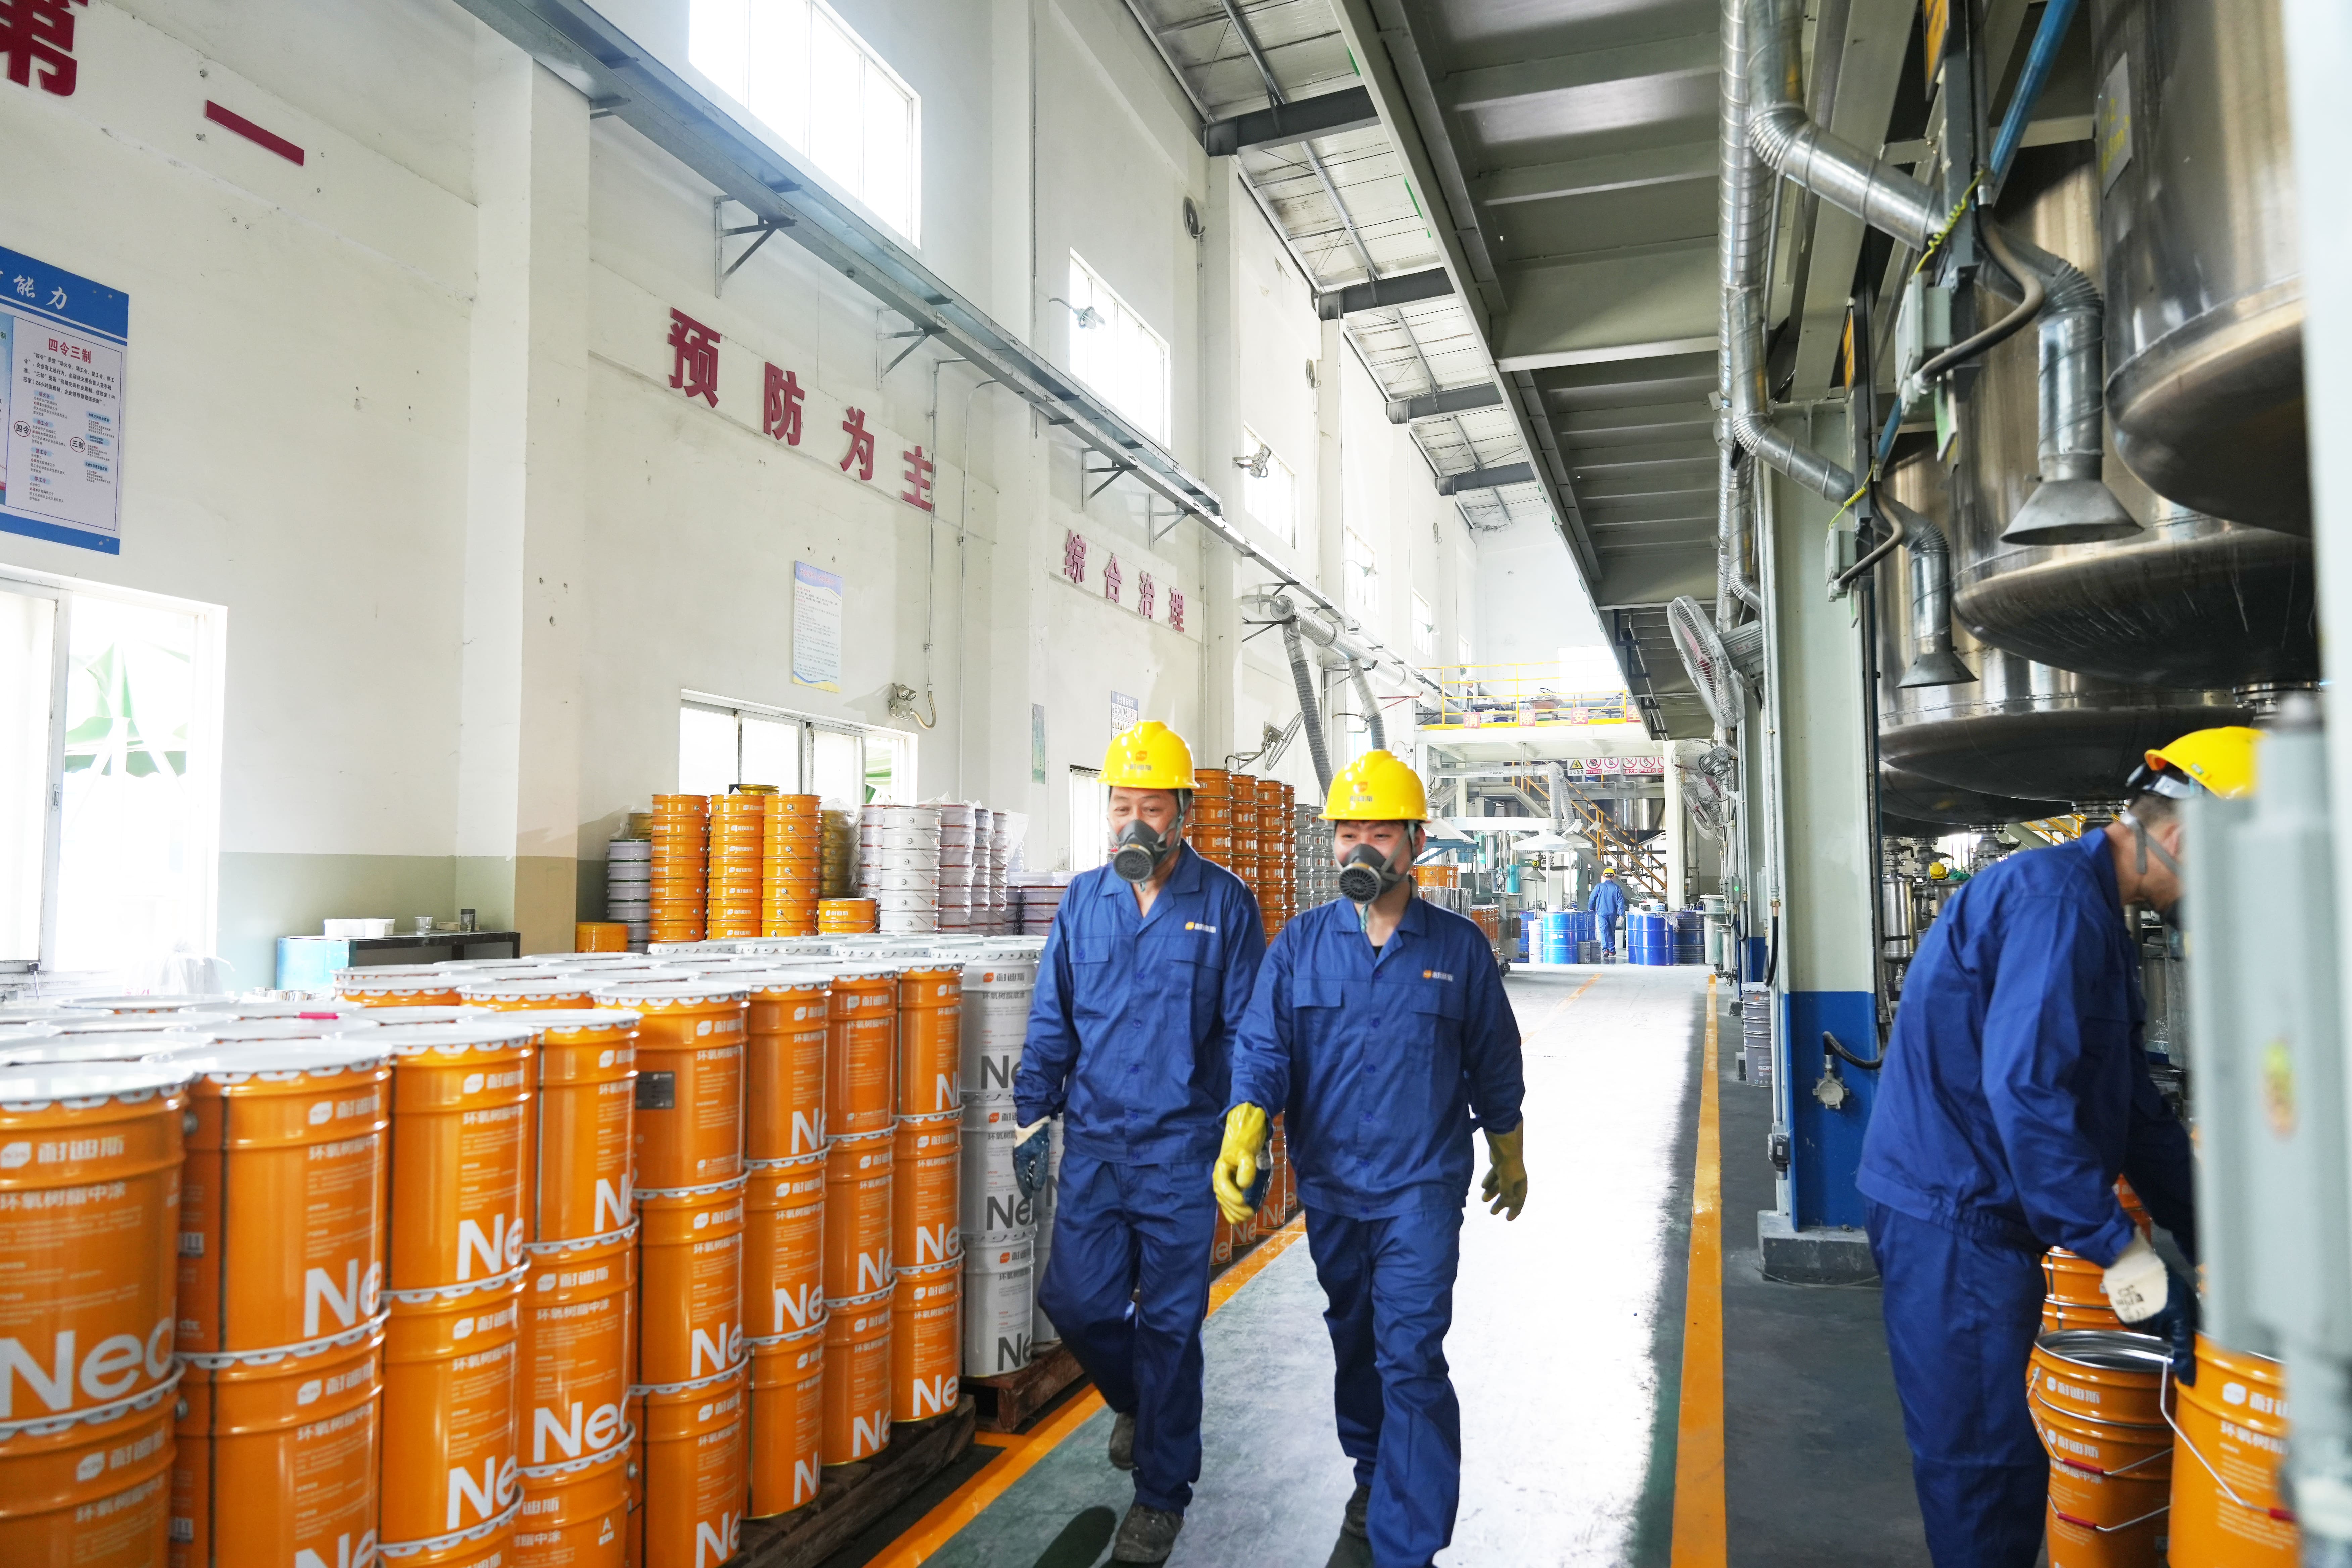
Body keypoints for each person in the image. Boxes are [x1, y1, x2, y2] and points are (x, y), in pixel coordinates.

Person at [1856, 727, 2252, 1568]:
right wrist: (2127, 1258)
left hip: (1982, 1214)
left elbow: (2132, 1108)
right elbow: (2030, 1097)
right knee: (1985, 1467)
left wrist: (2213, 1238)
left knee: (1999, 1453)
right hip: (1954, 1218)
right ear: (2187, 839)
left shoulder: (2092, 913)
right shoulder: (2055, 904)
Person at [1215, 749, 1527, 1568]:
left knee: (1411, 1356)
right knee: (1356, 1342)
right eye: (1347, 831)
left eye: (1379, 833)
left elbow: (1495, 1060)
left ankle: (1407, 1546)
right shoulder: (1301, 944)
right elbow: (1264, 1045)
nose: (1360, 848)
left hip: (1421, 1189)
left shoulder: (1458, 949)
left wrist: (1510, 1150)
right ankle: (1373, 1470)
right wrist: (1247, 1120)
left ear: (1416, 842)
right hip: (1332, 1188)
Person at [1013, 720, 1266, 1563]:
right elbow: (1052, 1014)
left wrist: (1248, 1125)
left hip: (1180, 1151)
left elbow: (1247, 1029)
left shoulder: (1224, 902)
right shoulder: (1084, 899)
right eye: (1120, 805)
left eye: (1150, 808)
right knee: (1075, 1302)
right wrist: (1031, 1110)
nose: (1132, 822)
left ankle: (1161, 1494)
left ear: (1182, 814)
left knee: (1170, 1327)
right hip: (1094, 1143)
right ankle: (1139, 1401)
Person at [1589, 865, 1628, 960]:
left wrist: (1591, 909)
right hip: (1612, 913)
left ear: (1604, 876)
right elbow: (1620, 902)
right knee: (1611, 931)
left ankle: (1605, 950)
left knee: (1604, 930)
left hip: (1602, 913)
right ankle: (1612, 950)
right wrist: (1621, 915)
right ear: (1613, 877)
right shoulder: (1617, 888)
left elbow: (1592, 898)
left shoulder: (1599, 887)